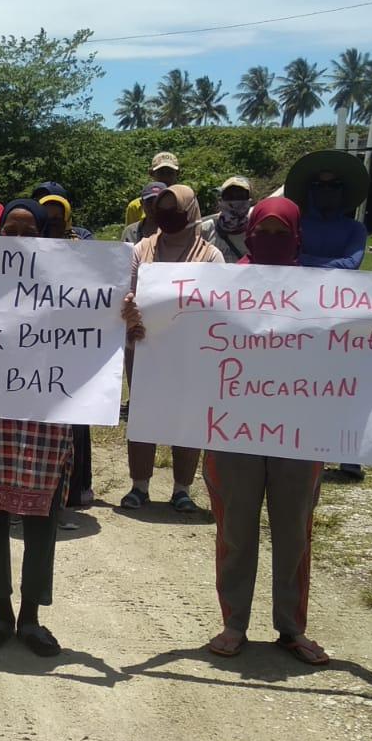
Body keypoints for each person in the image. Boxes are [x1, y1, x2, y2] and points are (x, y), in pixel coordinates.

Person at [128, 197, 372, 666]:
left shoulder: (325, 290)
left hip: (300, 435)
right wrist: (142, 324)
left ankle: (292, 627)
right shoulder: (218, 285)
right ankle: (233, 624)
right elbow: (178, 337)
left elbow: (363, 341)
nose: (269, 240)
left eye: (279, 232)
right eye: (261, 232)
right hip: (231, 433)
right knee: (236, 531)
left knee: (294, 533)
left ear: (298, 234)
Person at [0, 200, 72, 658]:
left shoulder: (68, 280)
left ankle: (31, 616)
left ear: (44, 233)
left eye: (30, 229)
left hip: (44, 410)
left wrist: (122, 317)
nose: (19, 236)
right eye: (11, 227)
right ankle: (0, 610)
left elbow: (90, 328)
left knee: (41, 516)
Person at [124, 185, 224, 511]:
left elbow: (219, 304)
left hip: (193, 352)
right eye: (160, 208)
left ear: (191, 210)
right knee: (143, 414)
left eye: (174, 208)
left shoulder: (210, 256)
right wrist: (130, 313)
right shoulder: (141, 250)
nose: (166, 214)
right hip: (145, 347)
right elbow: (127, 292)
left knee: (189, 416)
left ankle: (182, 489)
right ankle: (139, 486)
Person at [285, 150, 371, 479]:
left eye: (334, 186)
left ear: (343, 191)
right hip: (299, 316)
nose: (326, 192)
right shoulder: (297, 225)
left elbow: (352, 264)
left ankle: (349, 455)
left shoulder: (355, 229)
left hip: (341, 319)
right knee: (304, 385)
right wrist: (320, 263)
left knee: (341, 386)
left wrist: (306, 260)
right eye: (319, 187)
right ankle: (306, 447)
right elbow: (291, 257)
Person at [32, 189, 98, 509]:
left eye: (58, 221)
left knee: (72, 420)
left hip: (70, 347)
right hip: (31, 351)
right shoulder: (21, 253)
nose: (53, 226)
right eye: (46, 221)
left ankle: (71, 492)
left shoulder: (82, 248)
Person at [199, 176, 252, 263]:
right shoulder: (206, 229)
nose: (235, 201)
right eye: (229, 196)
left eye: (241, 196)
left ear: (249, 200)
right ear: (221, 199)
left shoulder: (256, 230)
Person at [124, 152, 180, 227]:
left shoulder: (184, 203)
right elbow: (131, 235)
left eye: (170, 173)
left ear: (177, 174)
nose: (165, 177)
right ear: (151, 173)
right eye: (161, 173)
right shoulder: (136, 207)